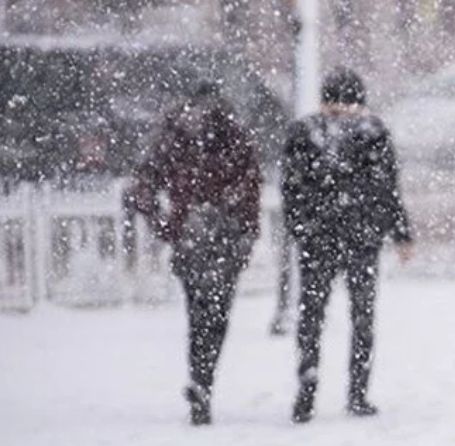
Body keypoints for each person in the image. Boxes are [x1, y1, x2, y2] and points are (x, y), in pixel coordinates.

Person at [282, 67, 413, 423]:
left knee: (312, 314)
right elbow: (387, 189)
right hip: (361, 238)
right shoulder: (372, 132)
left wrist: (301, 228)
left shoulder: (303, 132)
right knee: (362, 316)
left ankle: (307, 381)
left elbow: (291, 188)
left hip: (318, 238)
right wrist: (400, 232)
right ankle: (358, 392)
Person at [130, 80, 262, 425]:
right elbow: (251, 190)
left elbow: (142, 188)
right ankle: (204, 379)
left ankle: (200, 378)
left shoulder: (174, 137)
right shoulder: (234, 137)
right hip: (226, 235)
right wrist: (247, 232)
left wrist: (167, 224)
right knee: (217, 315)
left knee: (198, 313)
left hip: (191, 235)